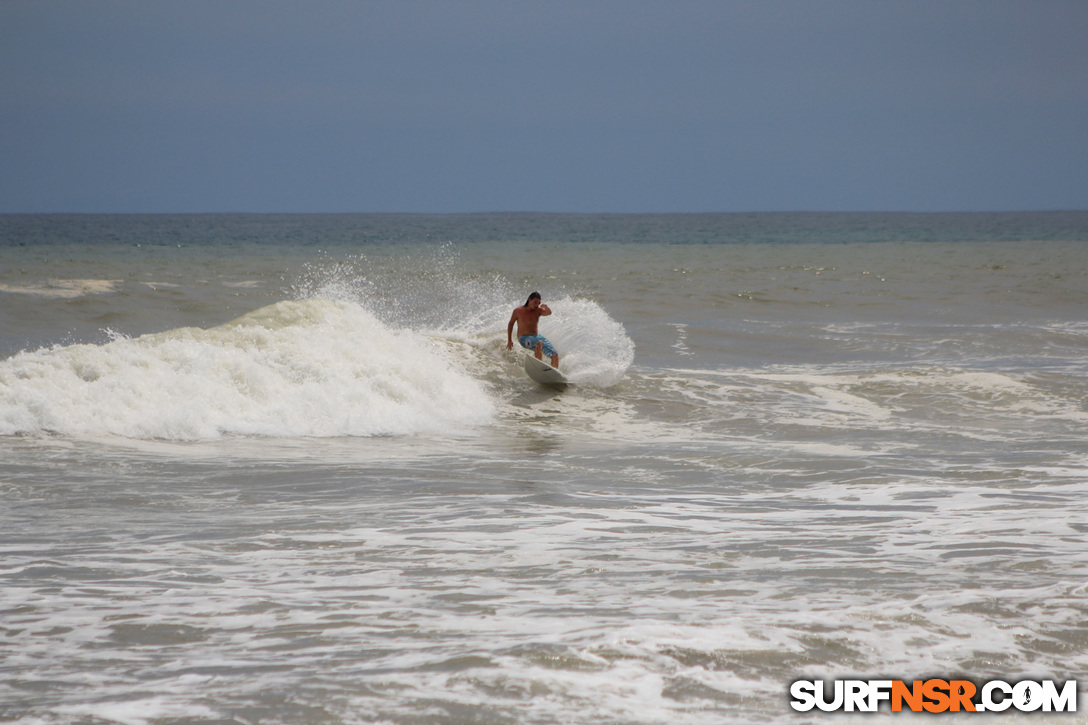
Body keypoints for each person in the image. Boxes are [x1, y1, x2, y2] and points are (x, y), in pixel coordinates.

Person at [507, 292, 560, 368]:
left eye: (538, 303)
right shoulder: (518, 311)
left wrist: (546, 307)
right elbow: (511, 324)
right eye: (535, 302)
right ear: (529, 299)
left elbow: (548, 313)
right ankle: (539, 367)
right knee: (538, 343)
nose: (536, 305)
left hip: (536, 337)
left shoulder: (538, 310)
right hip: (523, 338)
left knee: (555, 355)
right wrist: (509, 340)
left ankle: (554, 374)